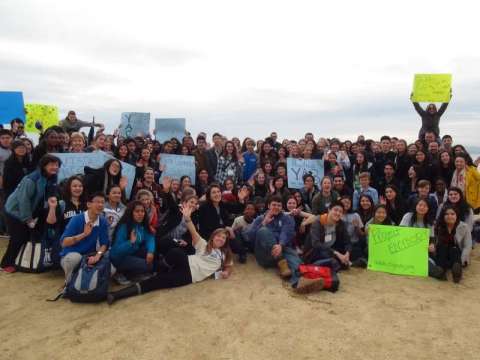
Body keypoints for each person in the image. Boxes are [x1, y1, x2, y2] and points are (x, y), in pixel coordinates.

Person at [106, 203, 233, 304]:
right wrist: (188, 218)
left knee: (154, 283)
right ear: (213, 237)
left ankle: (116, 295)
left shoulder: (225, 254)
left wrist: (226, 271)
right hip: (186, 262)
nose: (221, 239)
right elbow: (194, 232)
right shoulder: (204, 245)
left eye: (223, 238)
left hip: (188, 277)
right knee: (176, 252)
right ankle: (159, 268)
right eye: (219, 236)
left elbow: (229, 265)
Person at [249, 195, 323, 293]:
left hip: (282, 250)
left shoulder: (287, 218)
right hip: (265, 255)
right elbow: (249, 237)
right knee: (263, 231)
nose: (276, 207)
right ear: (268, 206)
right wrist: (264, 223)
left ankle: (298, 282)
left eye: (279, 205)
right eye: (273, 205)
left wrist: (281, 245)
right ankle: (281, 261)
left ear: (282, 207)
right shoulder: (260, 218)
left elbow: (286, 233)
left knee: (296, 258)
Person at [1, 154, 61, 272]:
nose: (55, 167)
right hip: (15, 211)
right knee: (18, 236)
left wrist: (53, 200)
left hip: (33, 209)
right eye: (51, 165)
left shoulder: (53, 177)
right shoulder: (32, 179)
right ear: (43, 166)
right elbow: (24, 200)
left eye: (57, 165)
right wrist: (28, 219)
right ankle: (5, 263)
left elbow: (51, 192)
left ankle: (21, 260)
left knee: (29, 235)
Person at [59, 192, 110, 282]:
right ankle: (70, 284)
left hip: (90, 255)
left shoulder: (103, 221)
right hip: (72, 254)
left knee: (111, 267)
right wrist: (84, 234)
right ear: (89, 204)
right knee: (74, 259)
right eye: (97, 202)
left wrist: (97, 256)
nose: (100, 205)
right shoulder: (77, 219)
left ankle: (92, 285)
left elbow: (104, 243)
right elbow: (64, 242)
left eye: (103, 202)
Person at [110, 201, 155, 283]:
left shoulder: (141, 225)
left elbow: (150, 238)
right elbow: (115, 252)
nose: (140, 214)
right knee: (148, 266)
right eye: (137, 211)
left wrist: (150, 252)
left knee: (152, 255)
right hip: (119, 258)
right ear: (131, 213)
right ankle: (122, 273)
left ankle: (135, 273)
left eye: (142, 211)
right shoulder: (124, 227)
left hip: (132, 253)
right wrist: (130, 242)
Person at [304, 201, 351, 272]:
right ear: (329, 210)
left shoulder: (341, 224)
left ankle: (331, 262)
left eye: (340, 212)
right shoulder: (318, 222)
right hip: (315, 251)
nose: (338, 213)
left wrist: (347, 253)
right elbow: (316, 244)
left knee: (344, 261)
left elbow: (347, 241)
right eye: (335, 210)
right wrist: (336, 253)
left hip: (330, 249)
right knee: (334, 260)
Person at [432, 205, 472, 283]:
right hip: (441, 253)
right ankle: (440, 271)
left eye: (452, 214)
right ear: (443, 216)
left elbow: (467, 246)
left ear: (457, 215)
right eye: (446, 214)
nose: (449, 216)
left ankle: (457, 271)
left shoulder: (464, 227)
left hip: (457, 254)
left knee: (454, 249)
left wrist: (462, 260)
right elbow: (433, 242)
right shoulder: (437, 226)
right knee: (442, 249)